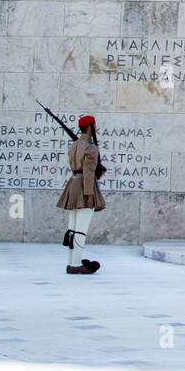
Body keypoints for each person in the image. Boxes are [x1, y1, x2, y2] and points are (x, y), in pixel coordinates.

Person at [55, 114, 106, 274]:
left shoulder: (74, 145)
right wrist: (89, 195)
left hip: (74, 183)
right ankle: (76, 265)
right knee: (80, 229)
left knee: (72, 228)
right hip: (85, 185)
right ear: (90, 127)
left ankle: (71, 262)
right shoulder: (91, 148)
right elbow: (89, 172)